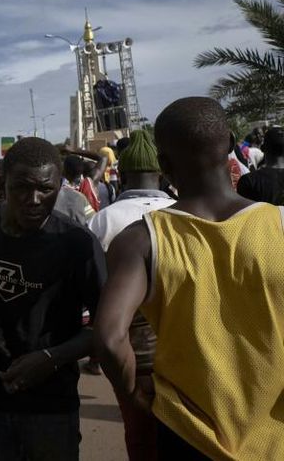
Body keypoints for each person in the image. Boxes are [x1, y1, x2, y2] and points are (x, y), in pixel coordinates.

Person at [95, 97, 284, 460]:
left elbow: (109, 337)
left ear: (163, 164)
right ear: (230, 143)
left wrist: (134, 394)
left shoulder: (140, 240)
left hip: (187, 435)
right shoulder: (278, 224)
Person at [0, 137, 106, 460]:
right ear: (2, 184)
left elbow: (106, 329)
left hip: (51, 406)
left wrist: (51, 358)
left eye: (46, 189)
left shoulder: (77, 245)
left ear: (60, 186)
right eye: (22, 188)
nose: (34, 199)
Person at [87, 130, 174, 460]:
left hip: (131, 354)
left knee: (140, 439)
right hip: (186, 354)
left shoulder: (102, 220)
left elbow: (96, 293)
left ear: (120, 175)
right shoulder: (185, 212)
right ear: (161, 173)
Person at [237, 127, 284, 205]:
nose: (260, 137)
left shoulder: (248, 181)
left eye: (262, 136)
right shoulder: (255, 151)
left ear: (263, 148)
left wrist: (246, 141)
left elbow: (241, 151)